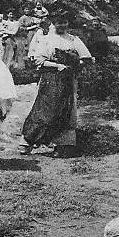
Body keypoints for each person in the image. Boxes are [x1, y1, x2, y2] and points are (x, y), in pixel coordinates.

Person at [19, 10, 93, 158]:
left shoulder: (73, 40)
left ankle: (62, 145)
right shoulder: (47, 40)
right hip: (50, 78)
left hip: (68, 79)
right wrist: (57, 66)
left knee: (66, 110)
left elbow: (86, 58)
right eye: (59, 22)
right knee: (45, 109)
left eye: (64, 22)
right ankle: (27, 141)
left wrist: (75, 62)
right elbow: (38, 61)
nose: (62, 25)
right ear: (54, 23)